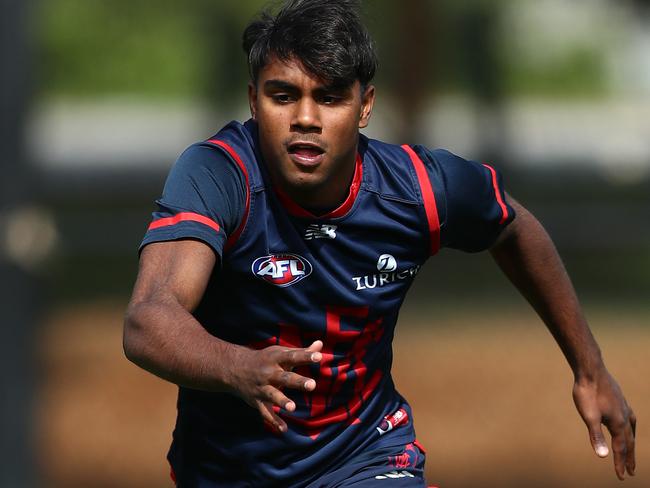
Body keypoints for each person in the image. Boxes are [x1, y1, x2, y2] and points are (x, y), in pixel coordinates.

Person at [123, 0, 636, 486]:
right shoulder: (219, 174)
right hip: (223, 472)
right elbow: (149, 318)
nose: (306, 117)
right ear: (253, 100)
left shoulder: (418, 190)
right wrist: (236, 367)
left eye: (329, 97)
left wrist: (590, 369)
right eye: (283, 96)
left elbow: (513, 226)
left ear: (364, 105)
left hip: (365, 454)